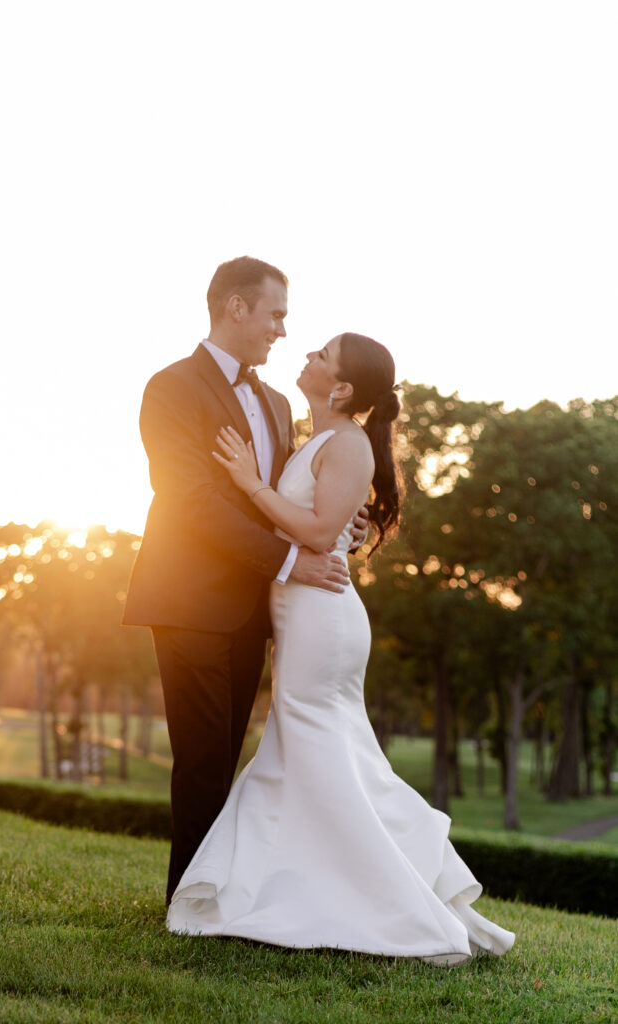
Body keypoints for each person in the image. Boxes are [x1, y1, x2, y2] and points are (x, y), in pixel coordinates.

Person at [165, 332, 515, 964]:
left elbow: (320, 531)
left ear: (344, 387)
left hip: (322, 618)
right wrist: (333, 523)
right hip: (299, 613)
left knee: (316, 744)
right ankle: (300, 886)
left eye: (321, 355)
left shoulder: (348, 441)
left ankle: (389, 899)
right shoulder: (320, 437)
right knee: (315, 750)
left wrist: (249, 482)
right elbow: (331, 523)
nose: (306, 355)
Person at [123, 257, 368, 903]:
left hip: (254, 610)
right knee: (202, 762)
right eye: (275, 315)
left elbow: (286, 497)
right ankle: (188, 901)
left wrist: (341, 522)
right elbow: (191, 501)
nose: (282, 331)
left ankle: (215, 893)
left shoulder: (277, 401)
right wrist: (291, 563)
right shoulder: (170, 387)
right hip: (190, 603)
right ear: (236, 307)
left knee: (226, 760)